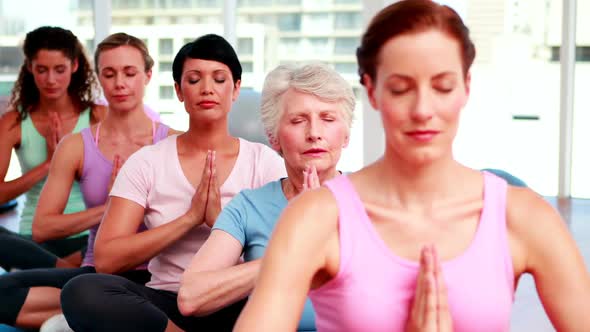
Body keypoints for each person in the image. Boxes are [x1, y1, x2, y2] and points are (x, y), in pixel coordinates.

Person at [234, 1, 590, 331]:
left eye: (443, 86)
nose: (422, 110)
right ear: (372, 92)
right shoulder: (314, 217)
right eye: (401, 88)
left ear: (466, 88)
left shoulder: (525, 216)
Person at [60, 34, 286, 332]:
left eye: (219, 79)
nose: (207, 89)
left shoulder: (265, 162)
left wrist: (221, 222)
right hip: (167, 304)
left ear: (236, 89)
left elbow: (281, 255)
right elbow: (106, 259)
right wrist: (189, 219)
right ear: (179, 91)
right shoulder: (147, 162)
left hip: (239, 302)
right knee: (82, 290)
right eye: (194, 80)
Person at [0, 32, 174, 330]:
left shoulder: (171, 142)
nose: (120, 83)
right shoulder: (75, 145)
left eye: (129, 73)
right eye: (109, 73)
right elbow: (42, 227)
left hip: (153, 272)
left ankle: (96, 311)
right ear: (99, 78)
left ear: (147, 75)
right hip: (94, 270)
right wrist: (111, 206)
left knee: (90, 294)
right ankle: (96, 310)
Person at [177, 63, 354, 332]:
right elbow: (192, 297)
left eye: (328, 119)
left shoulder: (372, 199)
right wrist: (291, 251)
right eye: (298, 120)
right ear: (274, 138)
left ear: (346, 135)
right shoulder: (248, 206)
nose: (314, 133)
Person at [0, 26, 106, 271]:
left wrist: (67, 161)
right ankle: (65, 271)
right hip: (34, 238)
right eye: (42, 70)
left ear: (75, 66)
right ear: (29, 68)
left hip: (86, 234)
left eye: (59, 70)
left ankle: (51, 272)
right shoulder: (13, 123)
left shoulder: (98, 117)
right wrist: (49, 164)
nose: (50, 79)